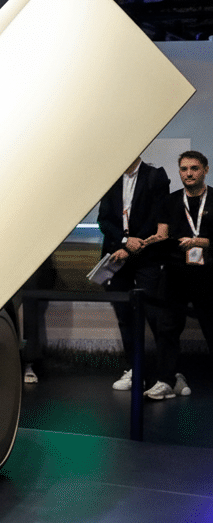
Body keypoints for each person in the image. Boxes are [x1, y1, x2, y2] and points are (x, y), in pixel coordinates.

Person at [142, 151, 213, 399]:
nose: (189, 173)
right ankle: (165, 380)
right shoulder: (170, 201)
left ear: (205, 169)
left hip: (208, 274)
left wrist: (203, 241)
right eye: (184, 169)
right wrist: (155, 240)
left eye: (194, 168)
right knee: (167, 328)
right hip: (175, 274)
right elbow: (163, 233)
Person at [97, 156, 170, 391]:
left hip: (147, 255)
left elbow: (158, 218)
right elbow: (104, 220)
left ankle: (166, 374)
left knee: (155, 315)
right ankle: (134, 370)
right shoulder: (111, 178)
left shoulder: (154, 175)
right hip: (118, 255)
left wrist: (136, 244)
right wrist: (125, 241)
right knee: (124, 316)